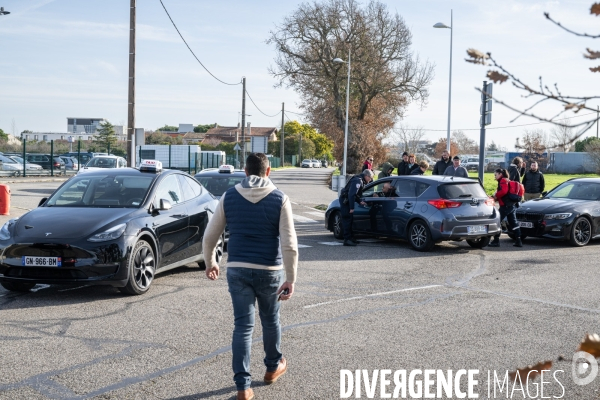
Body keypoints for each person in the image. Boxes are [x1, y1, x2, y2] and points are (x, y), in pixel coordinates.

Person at [203, 153, 298, 400]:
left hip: (238, 269)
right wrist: (291, 278)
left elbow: (210, 237)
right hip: (269, 270)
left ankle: (243, 387)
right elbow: (289, 244)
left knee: (243, 327)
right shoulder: (280, 198)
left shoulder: (229, 197)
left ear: (244, 171)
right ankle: (272, 367)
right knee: (270, 320)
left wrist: (211, 262)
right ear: (268, 172)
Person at [339, 169, 374, 246]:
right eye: (370, 178)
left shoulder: (360, 180)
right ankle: (347, 239)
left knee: (350, 220)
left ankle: (351, 238)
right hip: (346, 202)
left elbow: (355, 195)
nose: (370, 180)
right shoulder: (358, 181)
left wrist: (359, 201)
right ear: (366, 176)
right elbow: (351, 194)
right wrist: (352, 208)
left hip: (347, 200)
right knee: (347, 220)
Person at [489, 168, 523, 248]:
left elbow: (504, 191)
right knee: (514, 223)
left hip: (505, 206)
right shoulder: (507, 180)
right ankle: (518, 240)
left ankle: (496, 240)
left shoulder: (503, 180)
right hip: (511, 205)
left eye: (496, 174)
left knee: (497, 221)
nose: (495, 176)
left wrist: (495, 196)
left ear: (500, 174)